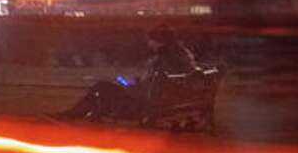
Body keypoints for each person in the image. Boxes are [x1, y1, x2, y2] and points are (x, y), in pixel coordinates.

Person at [61, 28, 200, 122]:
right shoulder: (183, 54)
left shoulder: (163, 59)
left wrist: (130, 85)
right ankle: (88, 114)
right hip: (169, 100)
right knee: (110, 87)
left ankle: (74, 114)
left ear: (159, 42)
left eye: (151, 41)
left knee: (101, 86)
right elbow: (157, 83)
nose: (149, 44)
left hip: (148, 103)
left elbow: (150, 89)